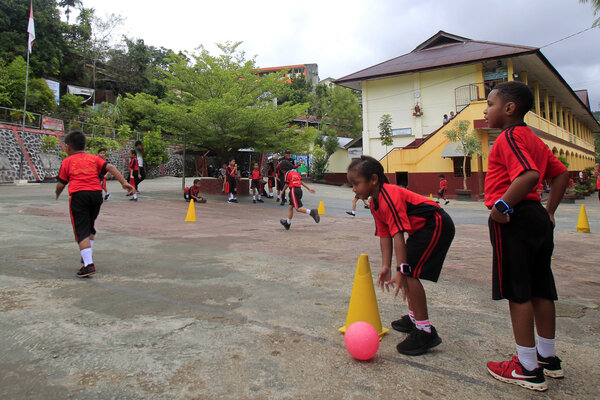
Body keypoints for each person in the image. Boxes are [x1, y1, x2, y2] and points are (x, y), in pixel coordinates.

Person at [483, 81, 569, 392]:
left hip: (514, 217)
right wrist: (549, 211)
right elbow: (561, 174)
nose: (485, 109)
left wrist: (501, 206)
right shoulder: (534, 140)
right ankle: (547, 357)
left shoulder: (509, 137)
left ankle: (527, 367)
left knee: (518, 291)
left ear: (509, 109)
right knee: (541, 288)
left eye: (490, 104)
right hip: (535, 216)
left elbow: (529, 175)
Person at [346, 155, 455, 356]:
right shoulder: (375, 204)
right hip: (421, 230)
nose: (354, 189)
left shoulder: (390, 195)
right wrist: (387, 266)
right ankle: (415, 319)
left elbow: (398, 234)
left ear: (373, 180)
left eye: (356, 183)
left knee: (409, 273)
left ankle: (425, 332)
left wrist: (401, 269)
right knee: (407, 271)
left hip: (436, 224)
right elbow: (384, 235)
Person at [55, 130, 135, 278]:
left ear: (67, 147)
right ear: (85, 146)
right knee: (90, 226)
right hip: (96, 195)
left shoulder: (67, 161)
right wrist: (124, 183)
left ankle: (88, 265)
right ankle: (87, 256)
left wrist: (57, 194)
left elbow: (61, 184)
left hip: (79, 195)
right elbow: (110, 168)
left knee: (81, 229)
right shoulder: (93, 158)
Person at [279, 160, 320, 230]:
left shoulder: (287, 174)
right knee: (290, 207)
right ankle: (287, 223)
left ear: (284, 169)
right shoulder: (295, 172)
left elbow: (286, 184)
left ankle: (311, 212)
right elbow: (301, 182)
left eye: (281, 169)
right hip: (299, 190)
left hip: (294, 190)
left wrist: (282, 191)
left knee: (297, 208)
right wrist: (309, 189)